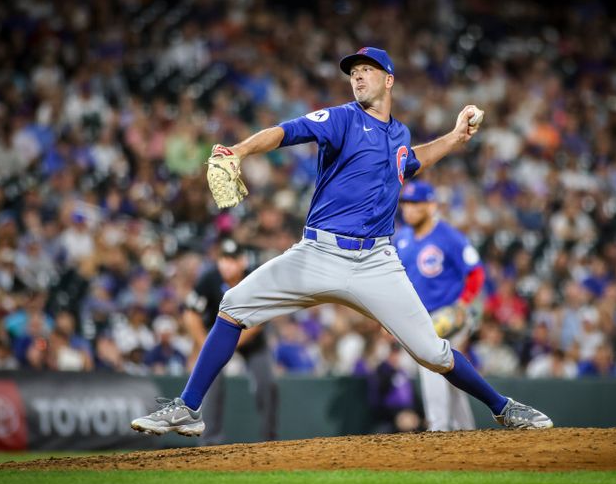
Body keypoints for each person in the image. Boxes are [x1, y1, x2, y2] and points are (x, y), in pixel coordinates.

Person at [131, 46, 552, 436]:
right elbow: (286, 131)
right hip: (317, 253)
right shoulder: (342, 119)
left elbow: (414, 158)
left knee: (433, 353)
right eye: (353, 72)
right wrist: (238, 150)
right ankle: (188, 407)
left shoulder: (399, 136)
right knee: (232, 306)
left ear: (389, 80)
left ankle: (503, 408)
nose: (357, 77)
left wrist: (456, 137)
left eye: (367, 70)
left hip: (377, 263)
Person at [395, 180, 485, 431]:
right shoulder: (401, 239)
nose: (409, 209)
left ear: (431, 205)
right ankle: (466, 430)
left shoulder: (449, 236)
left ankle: (438, 427)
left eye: (415, 204)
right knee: (450, 372)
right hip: (419, 318)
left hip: (449, 315)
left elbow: (476, 273)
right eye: (406, 204)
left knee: (430, 361)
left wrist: (463, 304)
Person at [183, 238, 277, 444]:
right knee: (210, 381)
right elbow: (190, 315)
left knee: (267, 383)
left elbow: (261, 321)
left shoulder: (254, 277)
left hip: (251, 341)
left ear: (243, 261)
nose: (227, 264)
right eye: (224, 258)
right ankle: (210, 441)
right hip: (217, 336)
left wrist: (229, 346)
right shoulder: (210, 278)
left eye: (232, 259)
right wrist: (207, 346)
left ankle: (269, 440)